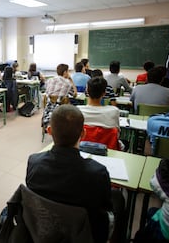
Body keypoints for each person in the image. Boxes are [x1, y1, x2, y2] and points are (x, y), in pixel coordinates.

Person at [26, 104, 125, 243]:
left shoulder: (33, 162)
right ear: (83, 133)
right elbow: (104, 210)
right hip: (83, 236)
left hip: (44, 233)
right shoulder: (98, 173)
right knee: (119, 199)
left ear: (49, 131)